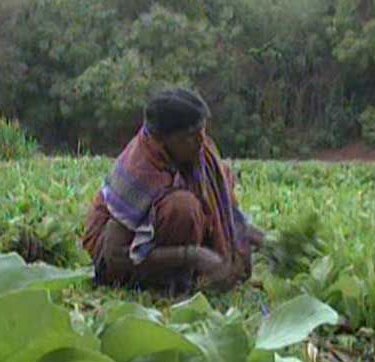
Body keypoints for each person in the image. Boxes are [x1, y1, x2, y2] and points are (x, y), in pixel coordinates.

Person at [82, 89, 265, 296]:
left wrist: (260, 239)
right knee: (183, 208)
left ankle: (187, 275)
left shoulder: (198, 152)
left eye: (202, 131)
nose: (200, 142)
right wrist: (193, 255)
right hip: (121, 259)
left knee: (193, 210)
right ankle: (163, 282)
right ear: (163, 140)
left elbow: (225, 213)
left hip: (166, 241)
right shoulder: (138, 171)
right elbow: (114, 256)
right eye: (190, 136)